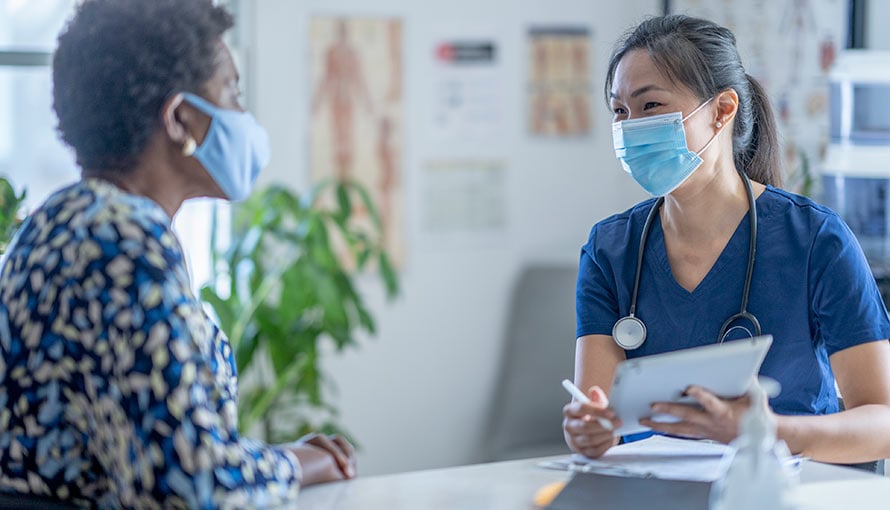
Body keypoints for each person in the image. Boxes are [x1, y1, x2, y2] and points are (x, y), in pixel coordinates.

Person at [0, 0, 355, 507]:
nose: (244, 115)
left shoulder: (61, 221)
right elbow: (189, 485)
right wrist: (303, 461)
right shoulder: (122, 242)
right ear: (180, 119)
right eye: (231, 91)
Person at [563, 14, 890, 467]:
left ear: (722, 110)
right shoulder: (609, 250)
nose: (631, 127)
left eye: (651, 105)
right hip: (655, 494)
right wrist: (589, 432)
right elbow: (604, 417)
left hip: (785, 489)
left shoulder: (815, 240)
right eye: (620, 111)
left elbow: (882, 422)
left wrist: (766, 430)